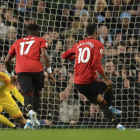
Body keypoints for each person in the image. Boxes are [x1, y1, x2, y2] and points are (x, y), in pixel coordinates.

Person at [62, 24, 125, 130]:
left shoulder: (78, 44)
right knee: (109, 85)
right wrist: (106, 79)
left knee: (101, 102)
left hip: (78, 84)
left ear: (86, 34)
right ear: (96, 32)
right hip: (88, 81)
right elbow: (96, 63)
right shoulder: (98, 44)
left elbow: (64, 55)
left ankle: (118, 126)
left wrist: (75, 56)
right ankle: (110, 107)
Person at [4, 23, 55, 129]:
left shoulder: (17, 42)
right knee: (36, 93)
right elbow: (44, 55)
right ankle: (32, 119)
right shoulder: (41, 40)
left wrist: (11, 75)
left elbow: (6, 60)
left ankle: (30, 114)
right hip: (37, 69)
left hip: (22, 70)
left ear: (26, 33)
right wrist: (49, 72)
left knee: (27, 93)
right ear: (38, 33)